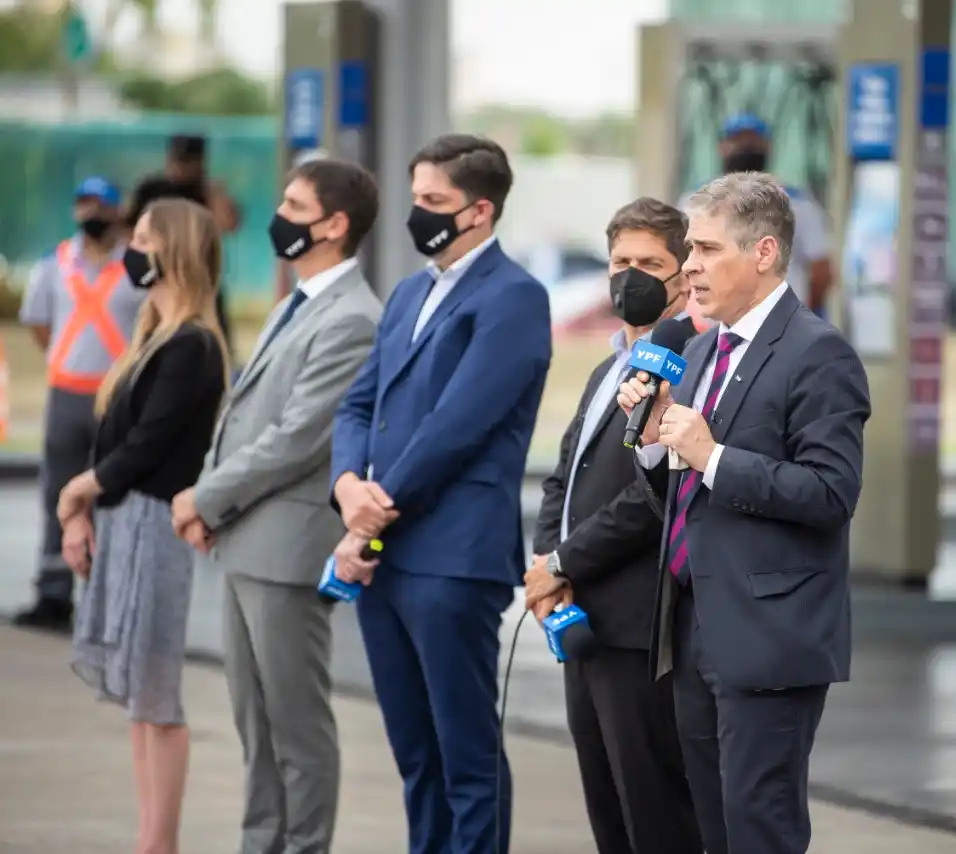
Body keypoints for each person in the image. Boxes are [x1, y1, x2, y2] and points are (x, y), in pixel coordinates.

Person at [616, 172, 871, 854]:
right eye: (689, 250)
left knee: (760, 830)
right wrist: (651, 444)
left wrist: (712, 455)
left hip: (767, 634)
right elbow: (682, 496)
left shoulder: (819, 354)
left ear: (762, 253)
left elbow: (830, 493)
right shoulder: (699, 349)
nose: (689, 266)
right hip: (693, 626)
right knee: (713, 830)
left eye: (704, 249)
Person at [328, 134, 551, 854]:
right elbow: (359, 404)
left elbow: (457, 425)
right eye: (416, 198)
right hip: (388, 555)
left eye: (434, 202)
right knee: (415, 756)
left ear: (480, 211)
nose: (417, 215)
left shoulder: (515, 298)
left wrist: (369, 513)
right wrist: (346, 487)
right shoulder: (409, 292)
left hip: (454, 556)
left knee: (466, 757)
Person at [170, 160, 382, 854]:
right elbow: (242, 417)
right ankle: (262, 843)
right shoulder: (298, 301)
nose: (279, 213)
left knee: (295, 727)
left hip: (288, 550)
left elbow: (297, 438)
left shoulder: (352, 317)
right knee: (253, 725)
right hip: (246, 539)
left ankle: (302, 846)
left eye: (294, 204)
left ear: (334, 224)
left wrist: (203, 496)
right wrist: (214, 506)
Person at [525, 197, 702, 854]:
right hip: (578, 619)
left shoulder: (686, 363)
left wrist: (562, 562)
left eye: (650, 263)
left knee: (653, 814)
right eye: (621, 261)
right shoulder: (608, 365)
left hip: (635, 628)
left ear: (683, 276)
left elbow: (645, 497)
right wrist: (549, 569)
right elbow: (562, 477)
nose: (631, 275)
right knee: (607, 813)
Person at [58, 197, 230, 854]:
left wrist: (76, 494)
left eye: (143, 237)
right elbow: (115, 439)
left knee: (158, 695)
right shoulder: (154, 335)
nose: (132, 248)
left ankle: (160, 843)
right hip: (126, 522)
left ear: (175, 250)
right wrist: (87, 509)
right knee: (138, 697)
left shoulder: (193, 345)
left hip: (156, 525)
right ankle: (149, 837)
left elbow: (146, 446)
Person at [13, 177, 146, 632]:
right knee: (58, 492)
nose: (91, 214)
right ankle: (53, 594)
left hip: (116, 398)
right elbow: (38, 324)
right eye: (83, 204)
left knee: (109, 493)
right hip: (66, 392)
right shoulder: (55, 264)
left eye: (100, 206)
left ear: (116, 213)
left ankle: (106, 598)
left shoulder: (134, 265)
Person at [681, 113, 833, 323]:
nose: (745, 147)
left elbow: (821, 271)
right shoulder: (694, 201)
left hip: (780, 326)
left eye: (752, 141)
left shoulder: (797, 203)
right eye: (737, 140)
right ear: (722, 147)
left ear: (767, 147)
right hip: (711, 327)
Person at [127, 133, 241, 352]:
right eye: (176, 160)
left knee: (208, 341)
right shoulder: (153, 189)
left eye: (186, 162)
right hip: (157, 276)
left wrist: (216, 193)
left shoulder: (206, 192)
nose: (179, 168)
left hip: (199, 279)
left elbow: (229, 225)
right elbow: (127, 228)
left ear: (199, 164)